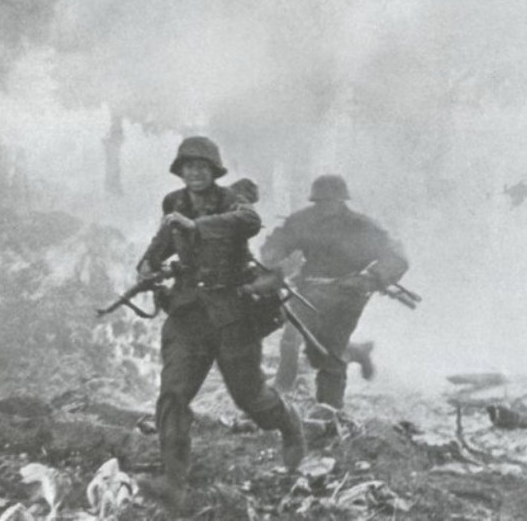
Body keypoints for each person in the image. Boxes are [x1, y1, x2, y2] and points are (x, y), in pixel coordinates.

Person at [136, 136, 305, 509]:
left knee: (250, 398)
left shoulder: (231, 201)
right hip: (187, 314)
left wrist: (197, 226)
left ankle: (288, 422)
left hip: (233, 313)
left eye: (202, 166)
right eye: (188, 166)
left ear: (213, 171)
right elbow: (161, 245)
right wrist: (147, 267)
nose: (195, 172)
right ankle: (173, 481)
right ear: (180, 171)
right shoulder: (174, 203)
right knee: (173, 393)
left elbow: (250, 221)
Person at [261, 174, 408, 409]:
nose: (324, 207)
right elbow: (277, 242)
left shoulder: (362, 226)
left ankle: (329, 408)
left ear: (342, 201)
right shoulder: (303, 220)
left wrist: (372, 278)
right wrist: (273, 258)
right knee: (292, 336)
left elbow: (396, 257)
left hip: (348, 295)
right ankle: (283, 384)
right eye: (319, 202)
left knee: (330, 352)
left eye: (330, 201)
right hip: (309, 288)